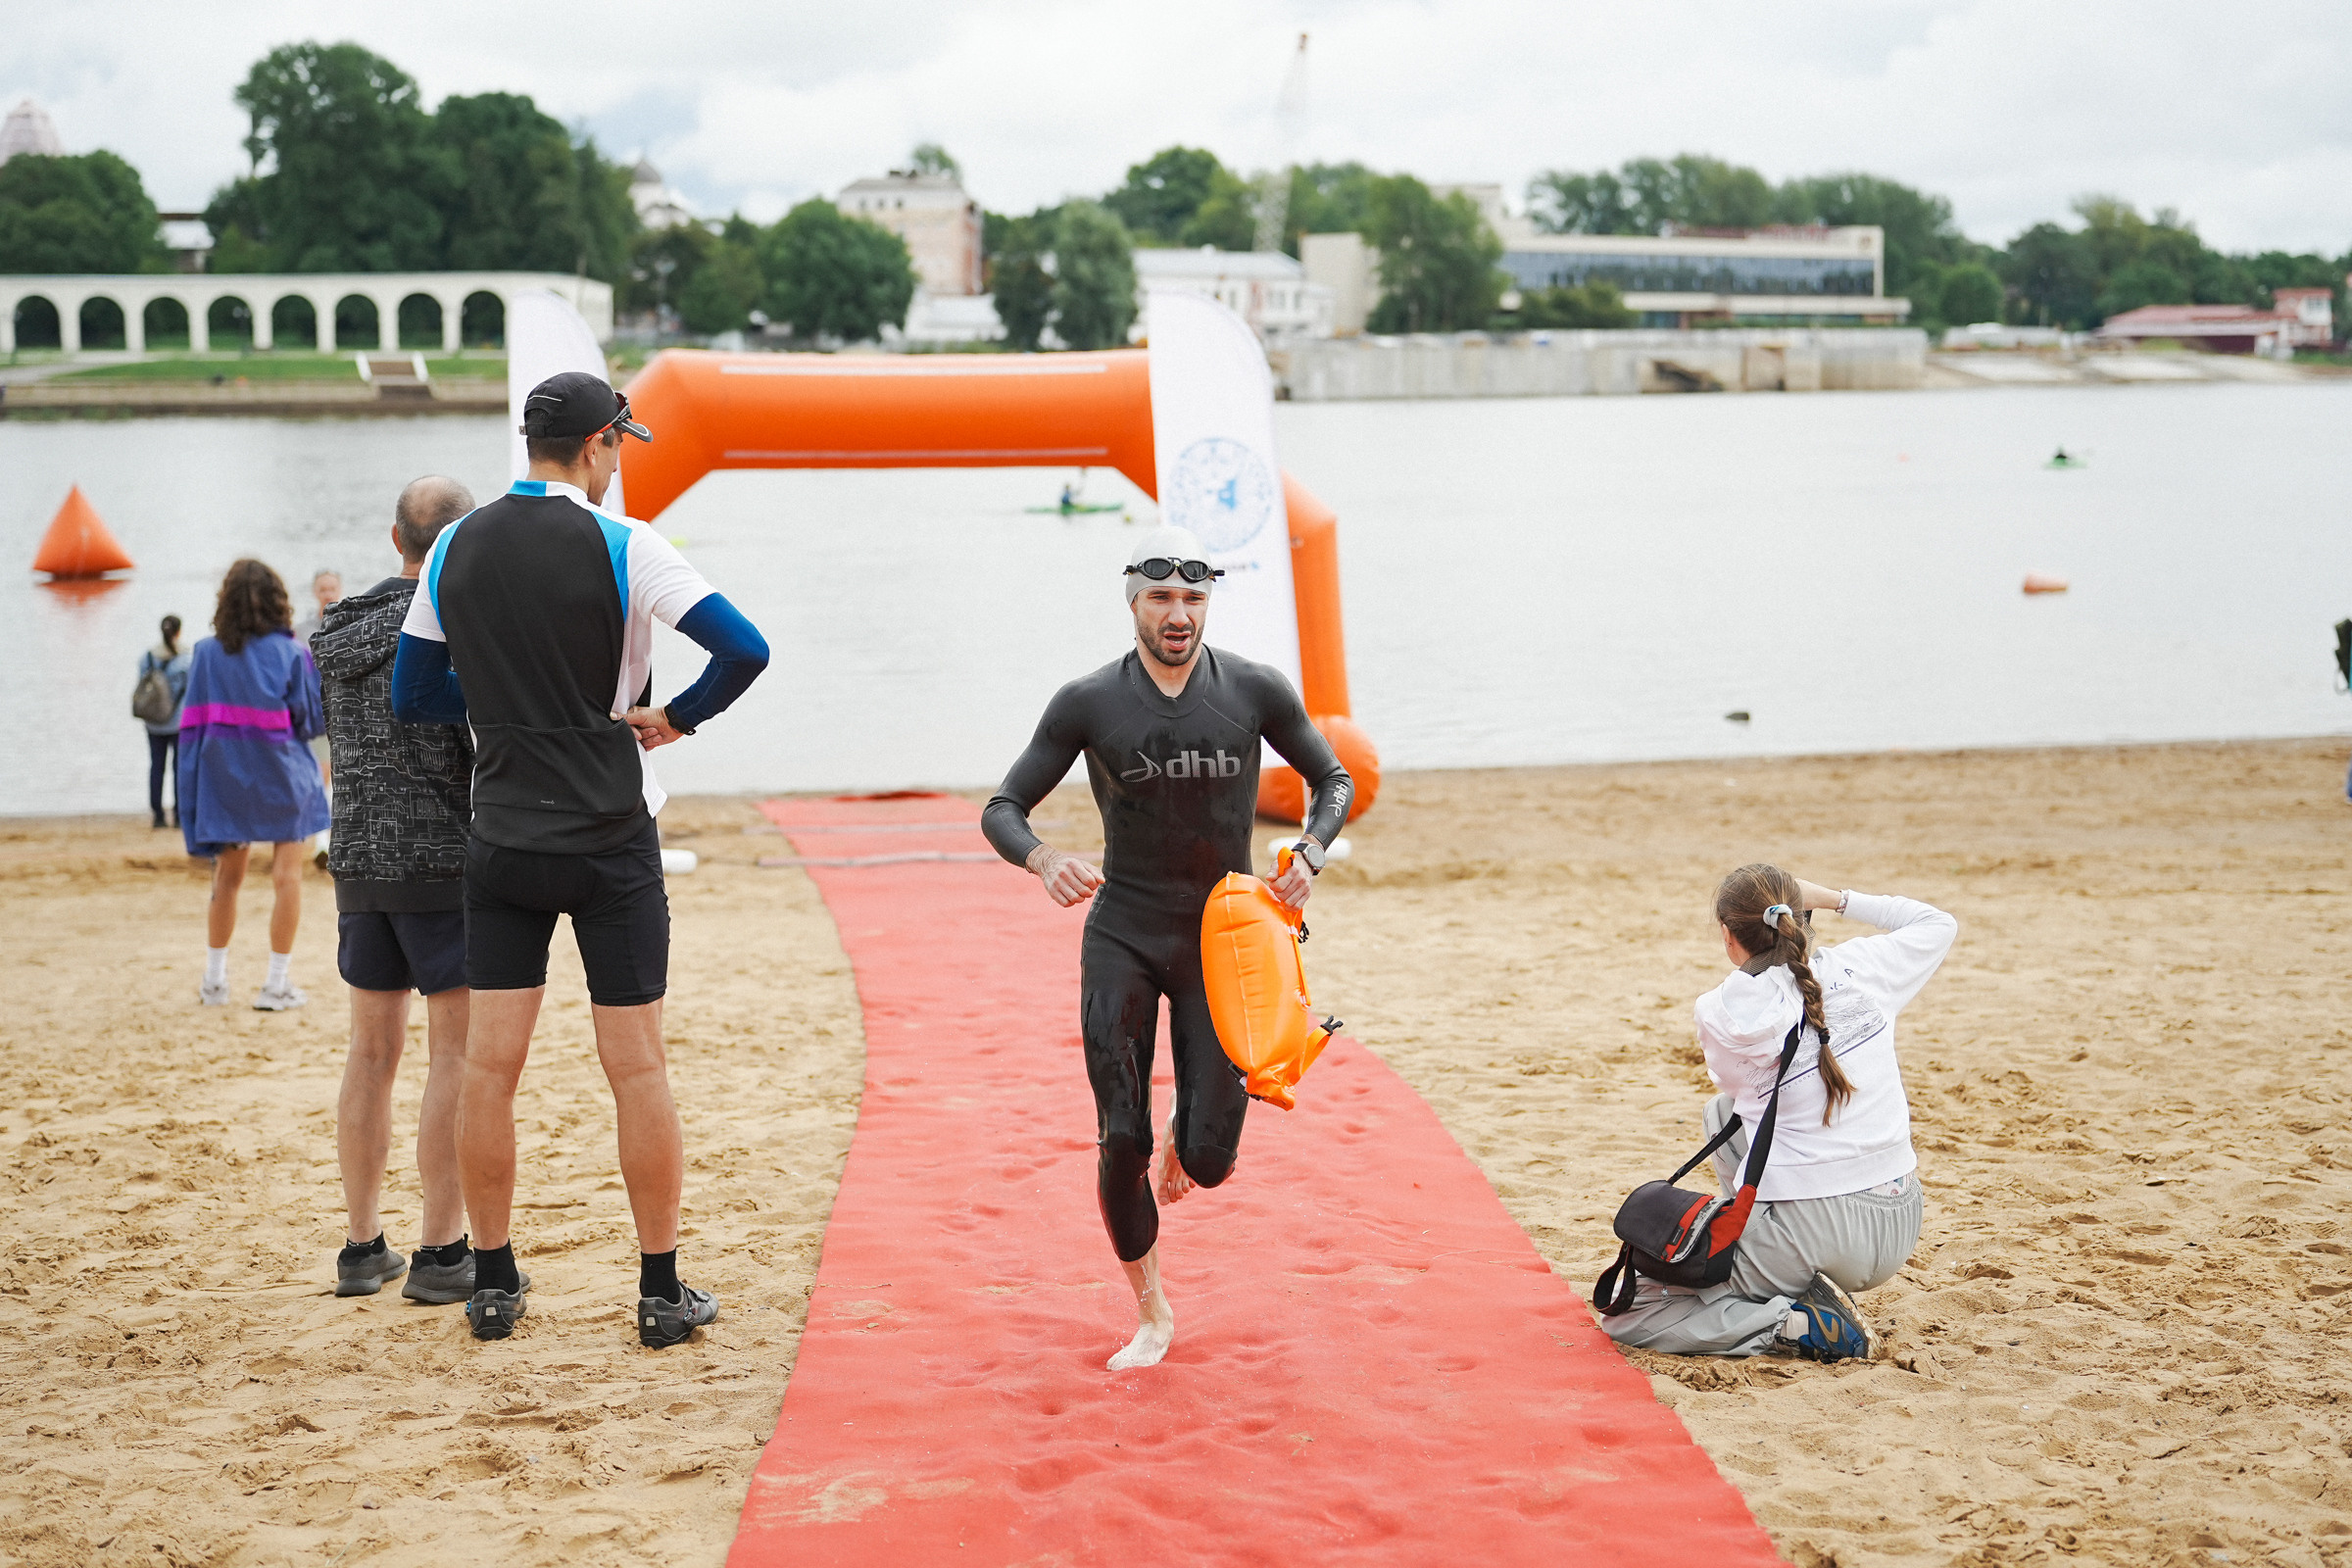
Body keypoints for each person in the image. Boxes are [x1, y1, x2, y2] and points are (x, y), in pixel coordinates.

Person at [391, 370, 769, 1346]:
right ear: (601, 443)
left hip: (505, 831)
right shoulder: (627, 544)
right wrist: (672, 718)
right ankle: (658, 1291)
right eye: (619, 446)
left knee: (489, 1070)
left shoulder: (453, 545)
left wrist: (503, 717)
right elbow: (745, 649)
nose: (618, 461)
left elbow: (414, 693)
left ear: (529, 443)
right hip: (610, 835)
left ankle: (494, 1284)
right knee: (637, 1069)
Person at [981, 523, 1352, 1371]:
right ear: (1134, 603)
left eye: (1193, 597)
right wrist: (1041, 858)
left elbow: (1333, 779)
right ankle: (1151, 1312)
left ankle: (1193, 1132)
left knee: (1213, 1162)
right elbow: (1003, 807)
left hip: (1228, 940)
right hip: (1124, 933)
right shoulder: (1088, 702)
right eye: (1161, 597)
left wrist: (1311, 854)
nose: (1178, 613)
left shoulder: (1254, 688)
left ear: (1207, 601)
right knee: (1121, 1137)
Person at [1601, 864, 1957, 1361]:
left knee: (1631, 1312)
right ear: (1801, 917)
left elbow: (1740, 1084)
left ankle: (1790, 1324)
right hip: (1900, 1216)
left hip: (1820, 1228)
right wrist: (1838, 898)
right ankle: (1782, 1263)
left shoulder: (1723, 1009)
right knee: (1722, 1114)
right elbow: (1938, 923)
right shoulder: (1865, 968)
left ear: (1729, 937)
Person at [312, 476, 481, 1302]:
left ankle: (360, 1244)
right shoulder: (457, 631)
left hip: (359, 864)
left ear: (395, 540)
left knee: (370, 1055)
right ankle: (443, 1250)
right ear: (465, 544)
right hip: (442, 862)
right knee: (453, 1054)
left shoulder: (336, 631)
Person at [178, 560, 332, 1010]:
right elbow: (310, 722)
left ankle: (214, 981)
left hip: (227, 780)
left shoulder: (205, 652)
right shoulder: (290, 653)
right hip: (283, 777)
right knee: (287, 879)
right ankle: (276, 984)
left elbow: (192, 725)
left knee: (227, 880)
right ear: (277, 602)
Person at [136, 614, 192, 830]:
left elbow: (143, 687)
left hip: (154, 722)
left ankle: (158, 815)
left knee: (156, 767)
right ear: (179, 631)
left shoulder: (148, 657)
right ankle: (179, 815)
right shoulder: (187, 658)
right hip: (179, 722)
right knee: (180, 768)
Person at [295, 569, 343, 795]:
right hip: (313, 707)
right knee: (319, 767)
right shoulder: (301, 630)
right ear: (315, 592)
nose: (328, 594)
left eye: (332, 589)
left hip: (342, 705)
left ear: (340, 590)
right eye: (323, 589)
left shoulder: (350, 624)